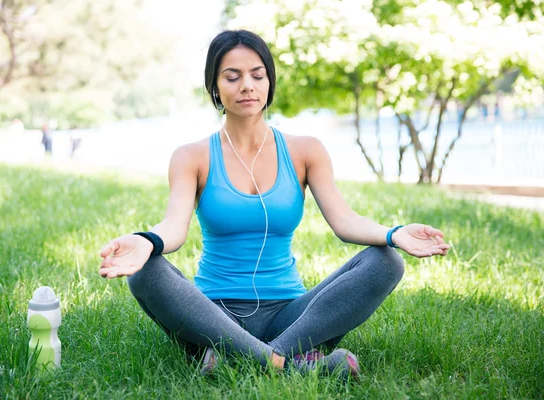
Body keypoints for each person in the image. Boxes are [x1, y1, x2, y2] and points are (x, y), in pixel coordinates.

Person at [98, 30, 450, 379]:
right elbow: (174, 228)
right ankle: (288, 361)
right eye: (232, 77)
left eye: (257, 74)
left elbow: (344, 221)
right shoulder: (192, 156)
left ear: (269, 81)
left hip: (291, 314)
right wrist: (145, 241)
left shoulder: (305, 150)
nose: (247, 85)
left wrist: (395, 233)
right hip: (214, 314)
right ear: (215, 88)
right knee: (146, 271)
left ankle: (237, 356)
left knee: (385, 261)